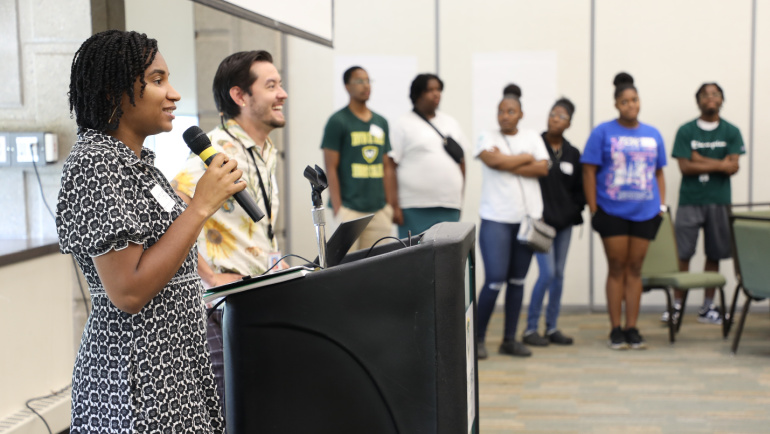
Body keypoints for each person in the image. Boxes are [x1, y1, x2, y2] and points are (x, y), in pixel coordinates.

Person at [57, 30, 232, 432]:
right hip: (138, 375)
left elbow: (170, 250)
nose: (174, 94)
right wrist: (202, 205)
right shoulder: (96, 164)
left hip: (177, 365)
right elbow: (128, 292)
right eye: (157, 81)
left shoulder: (141, 165)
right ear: (110, 92)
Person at [172, 50, 287, 411]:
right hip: (223, 310)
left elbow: (257, 227)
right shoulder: (219, 149)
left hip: (256, 297)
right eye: (271, 86)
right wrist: (207, 277)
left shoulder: (262, 149)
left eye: (280, 84)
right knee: (229, 414)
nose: (282, 94)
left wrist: (276, 262)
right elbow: (178, 205)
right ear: (240, 96)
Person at [582, 72, 666, 350]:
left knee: (636, 268)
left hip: (646, 212)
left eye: (635, 100)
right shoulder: (602, 132)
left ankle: (632, 327)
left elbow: (659, 173)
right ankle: (615, 329)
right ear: (616, 104)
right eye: (625, 101)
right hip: (612, 212)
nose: (631, 105)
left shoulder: (653, 134)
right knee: (617, 267)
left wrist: (661, 207)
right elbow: (589, 171)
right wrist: (595, 209)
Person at [475, 85, 549, 359]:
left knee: (517, 281)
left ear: (521, 114)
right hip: (496, 219)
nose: (504, 116)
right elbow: (492, 161)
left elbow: (543, 168)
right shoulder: (486, 135)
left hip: (527, 221)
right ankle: (477, 339)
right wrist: (525, 158)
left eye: (511, 111)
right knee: (494, 279)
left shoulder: (532, 136)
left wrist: (510, 161)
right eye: (501, 111)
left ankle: (509, 340)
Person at [661, 83, 744, 325]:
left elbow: (733, 167)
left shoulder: (731, 131)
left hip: (719, 201)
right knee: (683, 254)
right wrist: (719, 163)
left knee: (715, 253)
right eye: (705, 94)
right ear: (698, 100)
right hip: (690, 200)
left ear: (722, 100)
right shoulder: (686, 131)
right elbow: (685, 167)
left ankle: (708, 307)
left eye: (715, 94)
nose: (710, 98)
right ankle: (676, 306)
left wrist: (700, 158)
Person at [522, 98, 584, 347]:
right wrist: (535, 212)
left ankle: (552, 327)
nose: (555, 119)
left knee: (559, 275)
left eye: (562, 116)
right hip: (542, 223)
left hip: (565, 224)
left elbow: (580, 191)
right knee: (546, 274)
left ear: (569, 123)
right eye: (552, 114)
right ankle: (529, 329)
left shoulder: (572, 153)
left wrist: (572, 212)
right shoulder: (535, 145)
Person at [321, 66, 398, 250]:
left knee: (376, 267)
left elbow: (387, 166)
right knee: (346, 268)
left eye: (368, 81)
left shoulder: (381, 122)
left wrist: (389, 204)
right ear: (347, 86)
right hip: (349, 208)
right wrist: (339, 209)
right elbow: (330, 167)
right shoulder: (338, 121)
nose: (366, 86)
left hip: (378, 209)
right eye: (359, 81)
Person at [389, 73, 468, 238]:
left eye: (438, 89)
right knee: (414, 260)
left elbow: (461, 162)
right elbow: (390, 167)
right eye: (430, 90)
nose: (436, 93)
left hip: (449, 206)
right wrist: (394, 206)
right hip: (413, 208)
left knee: (447, 258)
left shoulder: (451, 123)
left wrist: (459, 200)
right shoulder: (403, 124)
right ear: (417, 94)